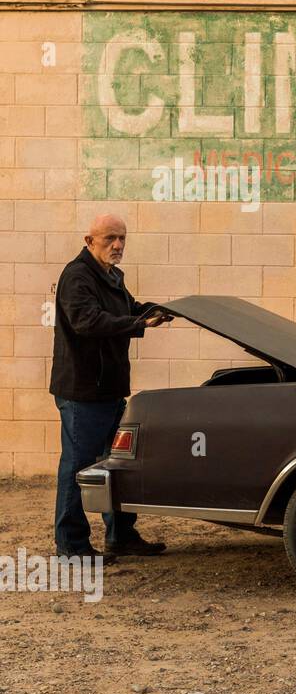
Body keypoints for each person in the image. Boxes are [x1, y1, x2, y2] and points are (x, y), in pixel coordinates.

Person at [51, 214, 169, 563]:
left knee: (116, 465)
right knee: (79, 468)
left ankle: (121, 535)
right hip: (83, 393)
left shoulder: (111, 275)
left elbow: (129, 309)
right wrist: (137, 323)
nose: (117, 245)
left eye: (122, 238)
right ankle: (71, 546)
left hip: (110, 390)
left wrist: (155, 311)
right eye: (110, 239)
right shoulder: (78, 276)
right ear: (89, 240)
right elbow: (87, 322)